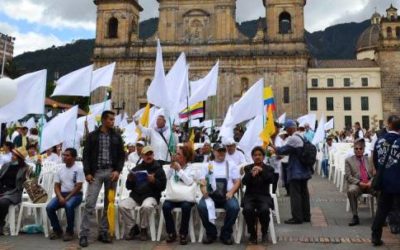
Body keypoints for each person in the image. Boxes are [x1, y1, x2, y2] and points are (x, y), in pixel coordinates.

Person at [79, 110, 125, 248]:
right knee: (90, 203)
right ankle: (84, 234)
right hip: (96, 173)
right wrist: (87, 172)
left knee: (108, 204)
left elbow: (122, 156)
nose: (113, 121)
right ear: (104, 120)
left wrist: (117, 170)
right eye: (110, 119)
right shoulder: (92, 136)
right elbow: (85, 156)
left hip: (111, 173)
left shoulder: (117, 137)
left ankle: (104, 232)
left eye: (113, 119)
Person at [119, 146, 166, 241]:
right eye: (146, 154)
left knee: (146, 207)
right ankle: (133, 227)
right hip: (136, 196)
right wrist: (130, 180)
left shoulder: (158, 169)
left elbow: (163, 187)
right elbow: (129, 187)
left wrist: (154, 181)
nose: (148, 156)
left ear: (153, 155)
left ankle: (143, 229)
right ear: (142, 156)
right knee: (122, 206)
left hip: (151, 196)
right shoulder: (137, 168)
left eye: (150, 154)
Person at [197, 143, 241, 245]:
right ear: (214, 151)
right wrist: (204, 192)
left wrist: (231, 192)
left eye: (223, 151)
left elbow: (237, 181)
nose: (221, 153)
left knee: (234, 207)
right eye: (218, 151)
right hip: (211, 196)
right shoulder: (207, 165)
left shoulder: (231, 164)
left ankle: (225, 233)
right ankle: (211, 233)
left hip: (226, 195)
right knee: (202, 206)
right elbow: (202, 182)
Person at [275, 120, 312, 224]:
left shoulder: (293, 138)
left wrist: (274, 148)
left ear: (291, 128)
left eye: (286, 129)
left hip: (296, 170)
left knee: (295, 194)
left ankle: (297, 217)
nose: (286, 131)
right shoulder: (302, 136)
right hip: (304, 169)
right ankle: (306, 216)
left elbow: (282, 150)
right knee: (304, 193)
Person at [371, 118, 400, 246]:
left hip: (384, 180)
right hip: (397, 179)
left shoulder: (379, 140)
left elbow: (376, 160)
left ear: (389, 126)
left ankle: (375, 236)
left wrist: (382, 172)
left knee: (382, 210)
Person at [46, 148, 85, 241]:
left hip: (76, 195)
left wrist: (66, 198)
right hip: (62, 194)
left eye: (67, 155)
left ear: (74, 157)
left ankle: (70, 231)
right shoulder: (60, 170)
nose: (65, 157)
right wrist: (60, 197)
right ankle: (57, 230)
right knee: (49, 207)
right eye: (64, 155)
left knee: (68, 205)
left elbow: (78, 187)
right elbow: (56, 186)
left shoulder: (78, 170)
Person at [163, 145, 198, 245]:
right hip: (173, 196)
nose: (176, 155)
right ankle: (171, 233)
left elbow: (189, 182)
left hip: (186, 197)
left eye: (178, 154)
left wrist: (179, 170)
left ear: (185, 157)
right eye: (176, 153)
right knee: (166, 206)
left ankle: (183, 234)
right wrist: (171, 167)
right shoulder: (174, 166)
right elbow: (167, 178)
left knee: (186, 207)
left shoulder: (192, 168)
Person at [242, 146, 274, 244]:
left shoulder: (269, 168)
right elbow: (244, 182)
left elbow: (271, 180)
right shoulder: (248, 168)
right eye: (255, 155)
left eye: (259, 155)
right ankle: (252, 234)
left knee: (264, 210)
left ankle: (264, 232)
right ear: (252, 157)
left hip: (263, 196)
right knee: (247, 210)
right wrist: (251, 173)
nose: (257, 157)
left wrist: (261, 171)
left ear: (263, 157)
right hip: (250, 197)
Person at [344, 139, 374, 226]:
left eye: (360, 148)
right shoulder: (348, 160)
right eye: (356, 149)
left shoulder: (369, 159)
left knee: (381, 190)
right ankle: (355, 216)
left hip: (369, 183)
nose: (358, 150)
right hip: (357, 184)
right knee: (351, 191)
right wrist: (359, 183)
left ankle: (380, 217)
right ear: (354, 149)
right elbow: (348, 177)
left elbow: (375, 174)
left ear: (364, 149)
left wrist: (370, 182)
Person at [0, 147, 29, 235]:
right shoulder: (6, 165)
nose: (12, 156)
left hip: (14, 191)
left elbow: (29, 181)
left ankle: (1, 224)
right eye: (12, 154)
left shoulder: (25, 168)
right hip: (2, 188)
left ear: (19, 158)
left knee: (2, 202)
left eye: (14, 155)